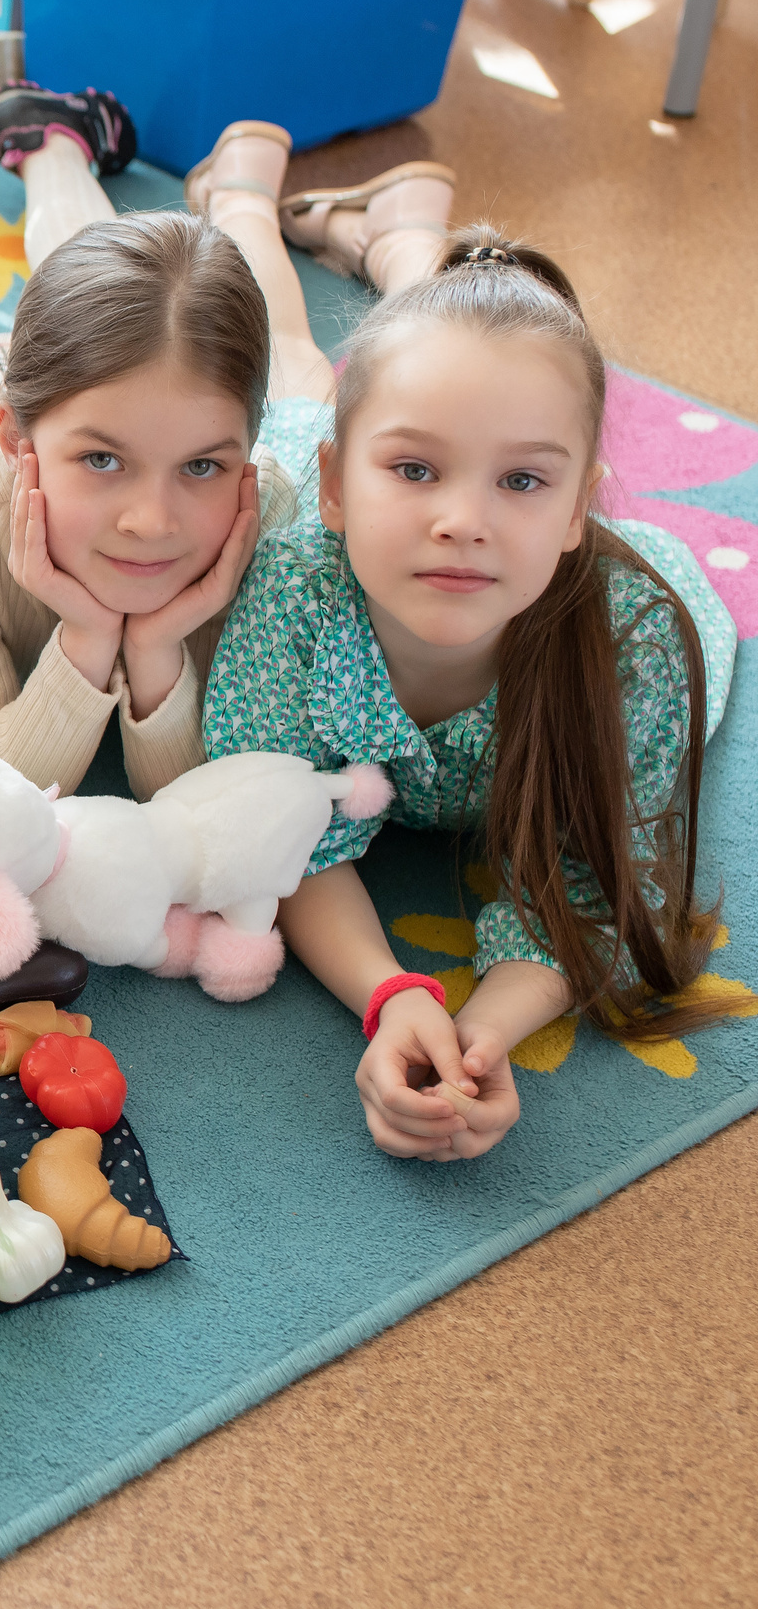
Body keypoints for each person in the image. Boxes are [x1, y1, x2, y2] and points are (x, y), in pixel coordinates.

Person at [0, 85, 464, 799]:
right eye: (102, 462)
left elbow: (207, 805)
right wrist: (86, 637)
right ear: (18, 441)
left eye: (203, 465)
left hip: (98, 388)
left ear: (247, 443)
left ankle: (51, 136)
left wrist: (154, 649)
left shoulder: (260, 506)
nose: (152, 520)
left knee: (131, 289)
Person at [203, 228, 737, 1163]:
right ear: (335, 486)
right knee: (282, 353)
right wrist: (390, 993)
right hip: (304, 438)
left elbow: (601, 886)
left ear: (578, 509)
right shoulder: (289, 581)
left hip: (629, 594)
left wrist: (486, 1028)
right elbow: (275, 828)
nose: (463, 522)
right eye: (415, 470)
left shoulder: (638, 654)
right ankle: (273, 194)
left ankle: (407, 233)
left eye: (524, 480)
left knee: (392, 372)